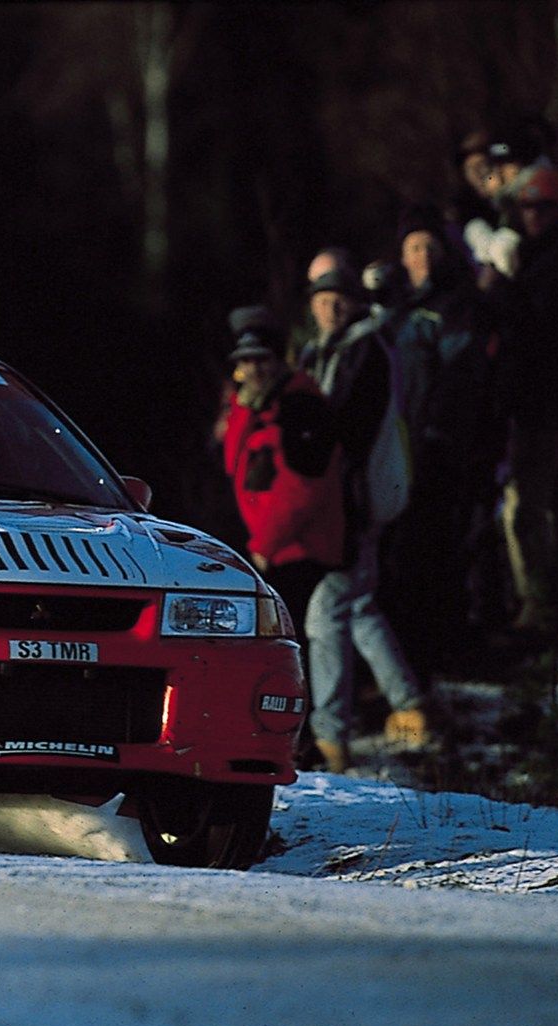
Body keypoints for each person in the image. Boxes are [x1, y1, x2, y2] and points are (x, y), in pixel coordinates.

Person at [298, 261, 431, 767]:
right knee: (357, 605)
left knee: (325, 613)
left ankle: (331, 736)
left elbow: (345, 428)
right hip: (351, 498)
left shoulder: (361, 351)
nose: (330, 306)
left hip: (353, 500)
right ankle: (408, 702)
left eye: (339, 297)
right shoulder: (327, 350)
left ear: (355, 302)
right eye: (321, 297)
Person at [219, 306, 344, 767]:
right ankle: (293, 737)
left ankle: (302, 739)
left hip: (298, 550)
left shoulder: (300, 406)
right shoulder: (258, 405)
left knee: (291, 649)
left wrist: (265, 546)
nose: (252, 369)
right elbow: (236, 466)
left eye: (262, 360)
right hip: (274, 549)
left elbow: (302, 490)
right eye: (246, 360)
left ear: (280, 361)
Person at [482, 165, 558, 640]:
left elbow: (536, 330)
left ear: (554, 209)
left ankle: (541, 608)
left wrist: (502, 291)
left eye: (538, 207)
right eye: (525, 207)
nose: (530, 216)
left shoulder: (555, 262)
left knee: (526, 508)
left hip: (547, 407)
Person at [382, 203, 497, 675]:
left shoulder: (458, 305)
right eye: (414, 247)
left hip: (442, 444)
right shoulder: (394, 308)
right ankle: (413, 645)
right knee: (403, 548)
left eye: (430, 246)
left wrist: (442, 433)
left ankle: (446, 646)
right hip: (397, 446)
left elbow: (461, 376)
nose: (423, 256)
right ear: (402, 256)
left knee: (441, 545)